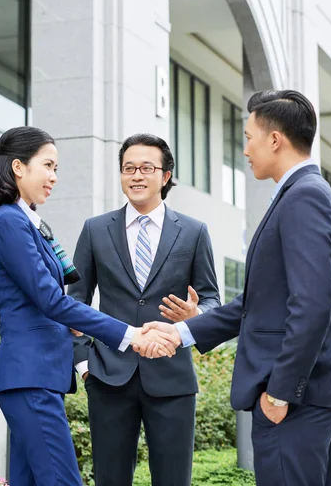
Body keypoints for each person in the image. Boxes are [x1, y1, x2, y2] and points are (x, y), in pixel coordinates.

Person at [142, 91, 331, 486]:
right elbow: (257, 304)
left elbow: (314, 304)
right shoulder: (299, 195)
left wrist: (280, 393)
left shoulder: (305, 197)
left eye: (249, 138)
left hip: (295, 404)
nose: (245, 149)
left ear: (275, 139)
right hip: (305, 401)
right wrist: (182, 331)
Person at [0, 126, 179, 486]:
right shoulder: (10, 221)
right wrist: (129, 334)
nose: (54, 177)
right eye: (48, 166)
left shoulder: (24, 220)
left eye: (57, 168)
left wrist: (73, 325)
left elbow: (42, 302)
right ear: (19, 167)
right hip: (30, 375)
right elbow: (51, 300)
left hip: (35, 375)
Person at [69, 133, 221, 486]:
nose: (136, 176)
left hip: (172, 378)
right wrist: (84, 364)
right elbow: (73, 300)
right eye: (128, 168)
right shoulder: (95, 230)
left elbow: (211, 299)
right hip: (107, 377)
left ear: (165, 176)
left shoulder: (194, 232)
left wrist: (195, 317)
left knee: (172, 480)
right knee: (110, 478)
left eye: (146, 168)